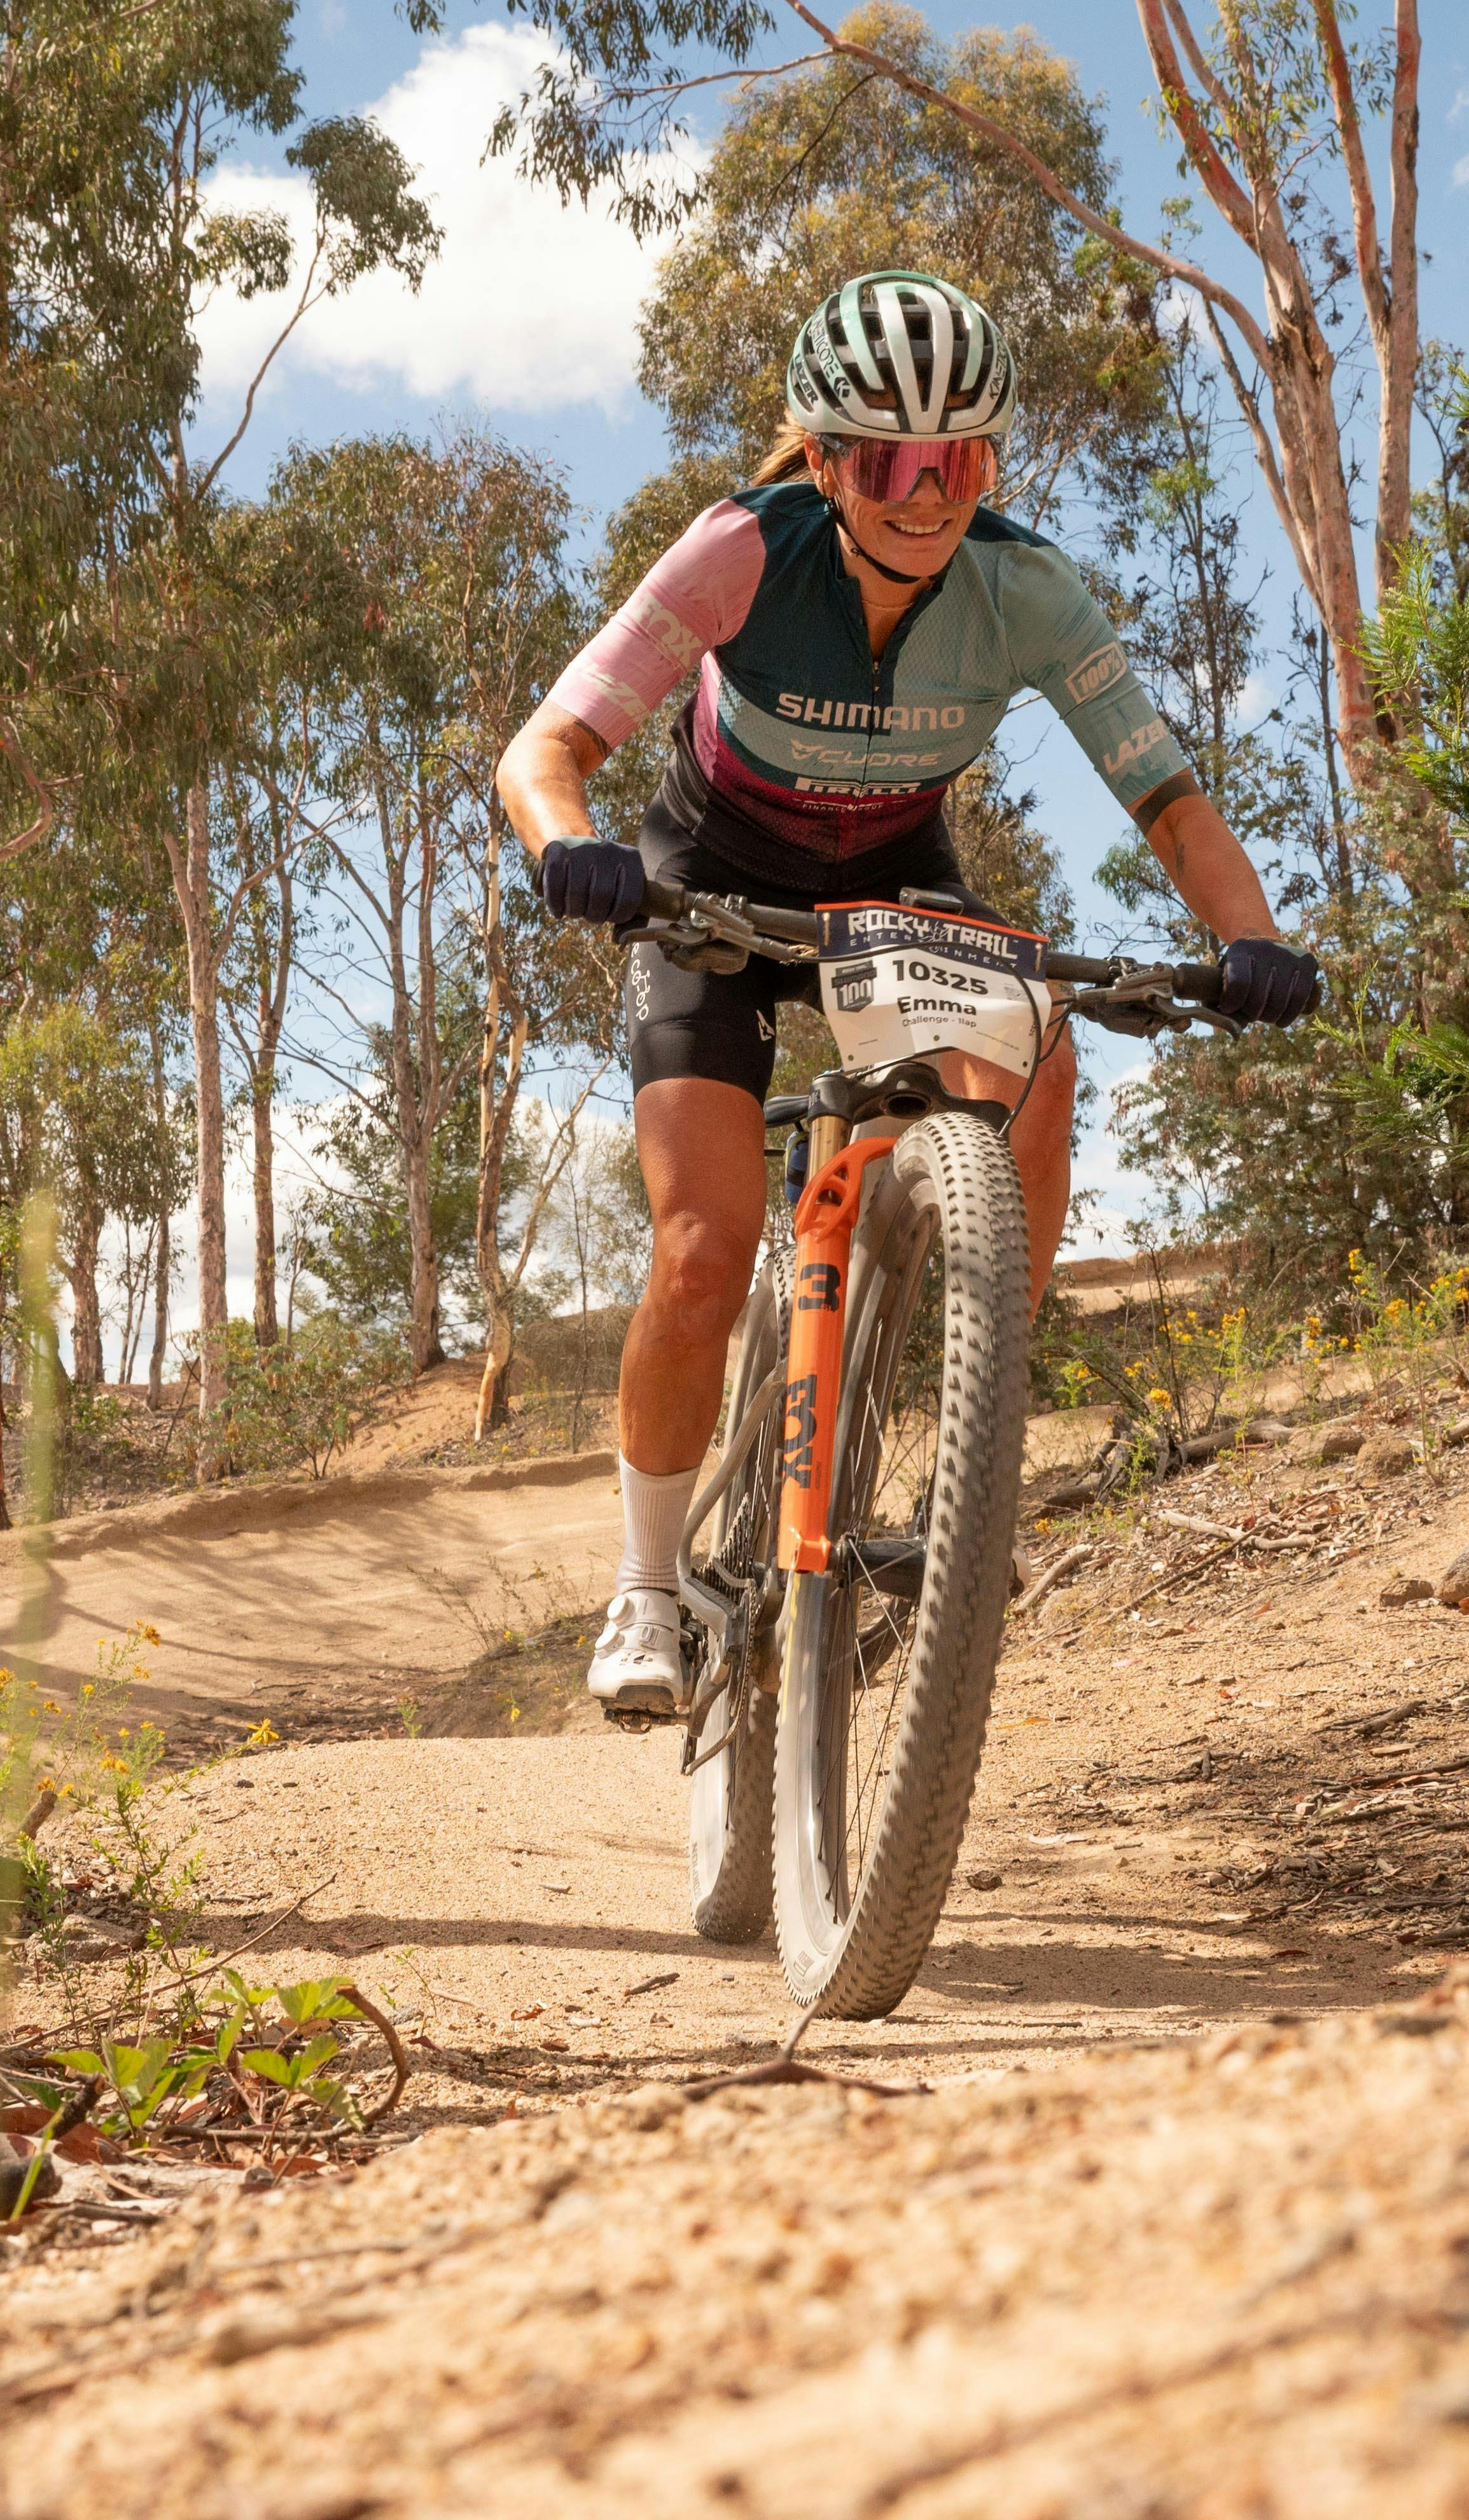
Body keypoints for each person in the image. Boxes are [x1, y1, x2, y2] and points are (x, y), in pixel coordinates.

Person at [494, 270, 1319, 1718]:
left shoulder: (1029, 591)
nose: (926, 493)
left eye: (961, 460)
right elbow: (542, 750)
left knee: (1045, 1057)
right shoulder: (739, 553)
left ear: (990, 463)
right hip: (712, 886)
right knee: (701, 1244)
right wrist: (575, 849)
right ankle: (644, 1586)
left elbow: (1177, 809)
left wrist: (1252, 938)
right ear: (823, 458)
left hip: (890, 885)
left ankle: (974, 1420)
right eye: (887, 460)